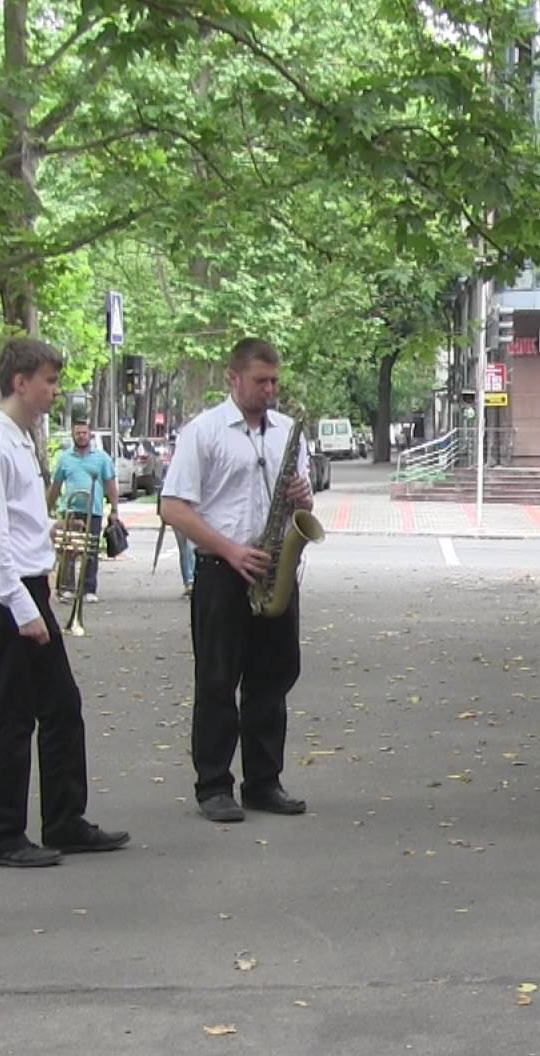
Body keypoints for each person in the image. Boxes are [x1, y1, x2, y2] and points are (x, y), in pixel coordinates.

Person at [0, 339, 130, 868]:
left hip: (30, 583)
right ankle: (0, 834)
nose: (55, 391)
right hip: (12, 591)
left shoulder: (23, 440)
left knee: (61, 707)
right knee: (14, 715)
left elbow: (19, 520)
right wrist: (22, 608)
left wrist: (51, 529)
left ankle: (63, 819)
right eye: (49, 381)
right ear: (20, 382)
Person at [159, 338, 315, 823]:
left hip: (275, 568)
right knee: (218, 680)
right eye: (260, 381)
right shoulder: (202, 432)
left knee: (273, 678)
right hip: (222, 571)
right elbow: (172, 507)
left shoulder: (287, 432)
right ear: (233, 378)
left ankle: (264, 782)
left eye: (274, 381)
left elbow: (303, 509)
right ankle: (214, 786)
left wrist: (303, 497)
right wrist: (230, 549)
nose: (270, 390)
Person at [48, 421, 119, 604]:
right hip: (70, 510)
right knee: (68, 549)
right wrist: (48, 507)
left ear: (90, 434)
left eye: (84, 433)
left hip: (92, 510)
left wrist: (114, 509)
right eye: (78, 433)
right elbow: (56, 485)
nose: (81, 436)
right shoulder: (65, 458)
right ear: (73, 435)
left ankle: (88, 588)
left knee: (90, 550)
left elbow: (111, 485)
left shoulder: (102, 458)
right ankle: (66, 587)